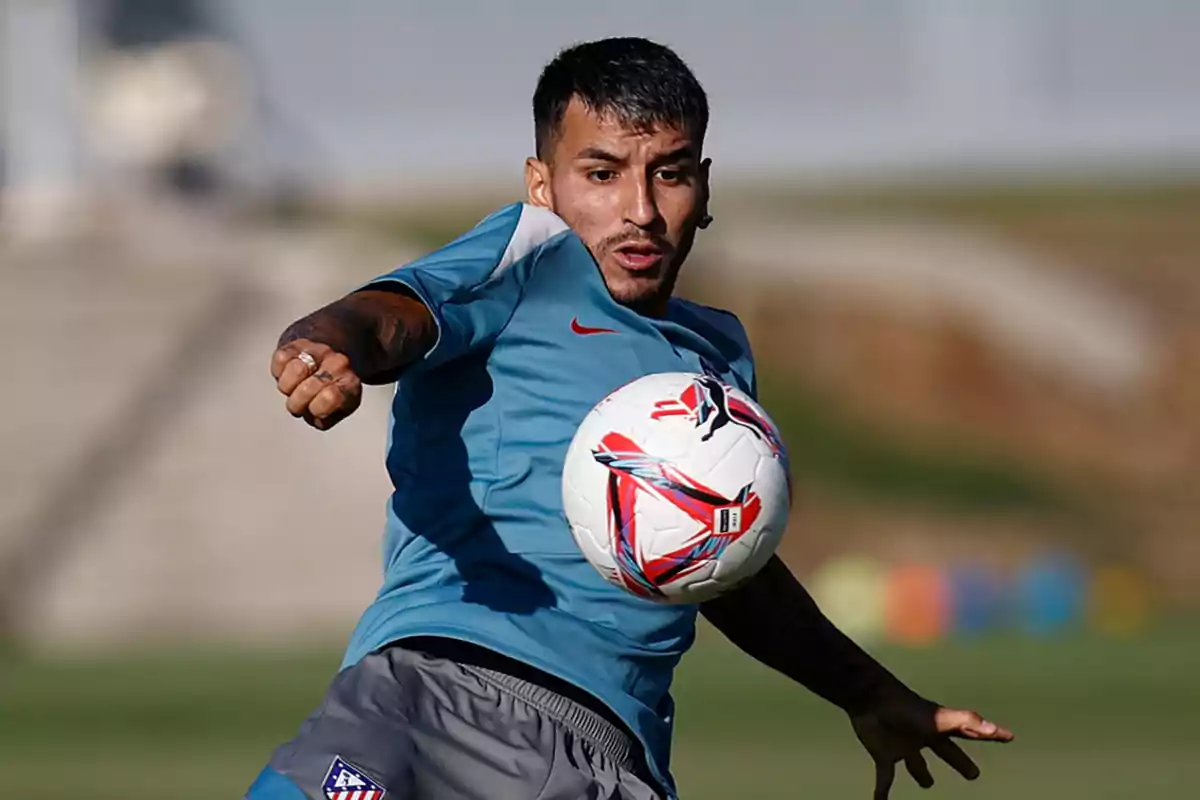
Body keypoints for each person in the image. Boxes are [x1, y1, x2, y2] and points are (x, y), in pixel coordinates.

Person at [245, 37, 1012, 800]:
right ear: (542, 184)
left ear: (704, 188)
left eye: (670, 175)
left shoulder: (716, 364)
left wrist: (868, 691)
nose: (640, 211)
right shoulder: (528, 260)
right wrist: (326, 345)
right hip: (422, 699)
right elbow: (392, 316)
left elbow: (728, 570)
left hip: (599, 754)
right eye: (603, 174)